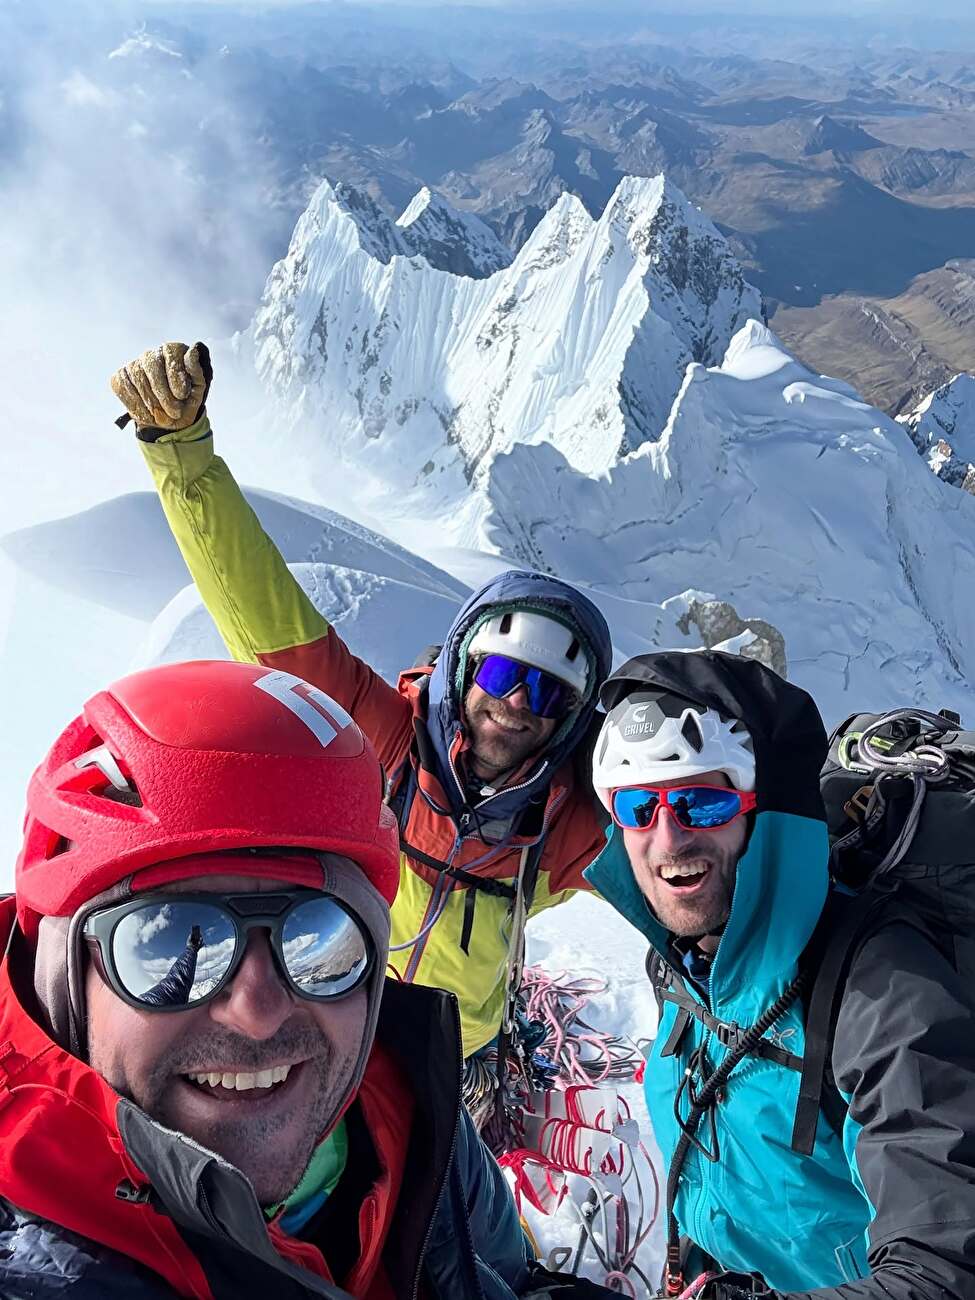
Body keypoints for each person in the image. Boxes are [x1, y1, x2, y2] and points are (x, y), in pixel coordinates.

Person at [0, 657, 615, 1298]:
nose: (259, 1010)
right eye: (173, 940)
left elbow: (512, 1281)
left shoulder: (408, 1107)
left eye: (321, 935)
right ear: (63, 977)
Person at [109, 342, 613, 1078]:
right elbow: (266, 620)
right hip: (337, 1028)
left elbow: (686, 842)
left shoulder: (561, 822)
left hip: (454, 1053)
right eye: (503, 673)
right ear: (462, 669)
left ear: (571, 717)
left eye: (545, 693)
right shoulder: (386, 744)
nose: (514, 705)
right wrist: (181, 454)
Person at [584, 650, 975, 1299]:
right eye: (637, 806)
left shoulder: (882, 989)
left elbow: (943, 1274)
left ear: (763, 813)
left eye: (702, 803)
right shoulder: (684, 960)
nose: (668, 839)